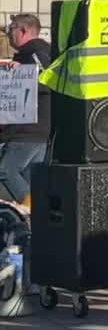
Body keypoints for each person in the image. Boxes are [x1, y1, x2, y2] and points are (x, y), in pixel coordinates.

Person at [0, 14, 51, 204]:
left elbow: (48, 81)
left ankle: (33, 211)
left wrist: (24, 74)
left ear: (23, 30)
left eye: (10, 29)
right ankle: (35, 219)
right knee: (28, 176)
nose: (7, 34)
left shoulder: (36, 53)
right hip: (31, 130)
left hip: (28, 131)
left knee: (6, 170)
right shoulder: (28, 54)